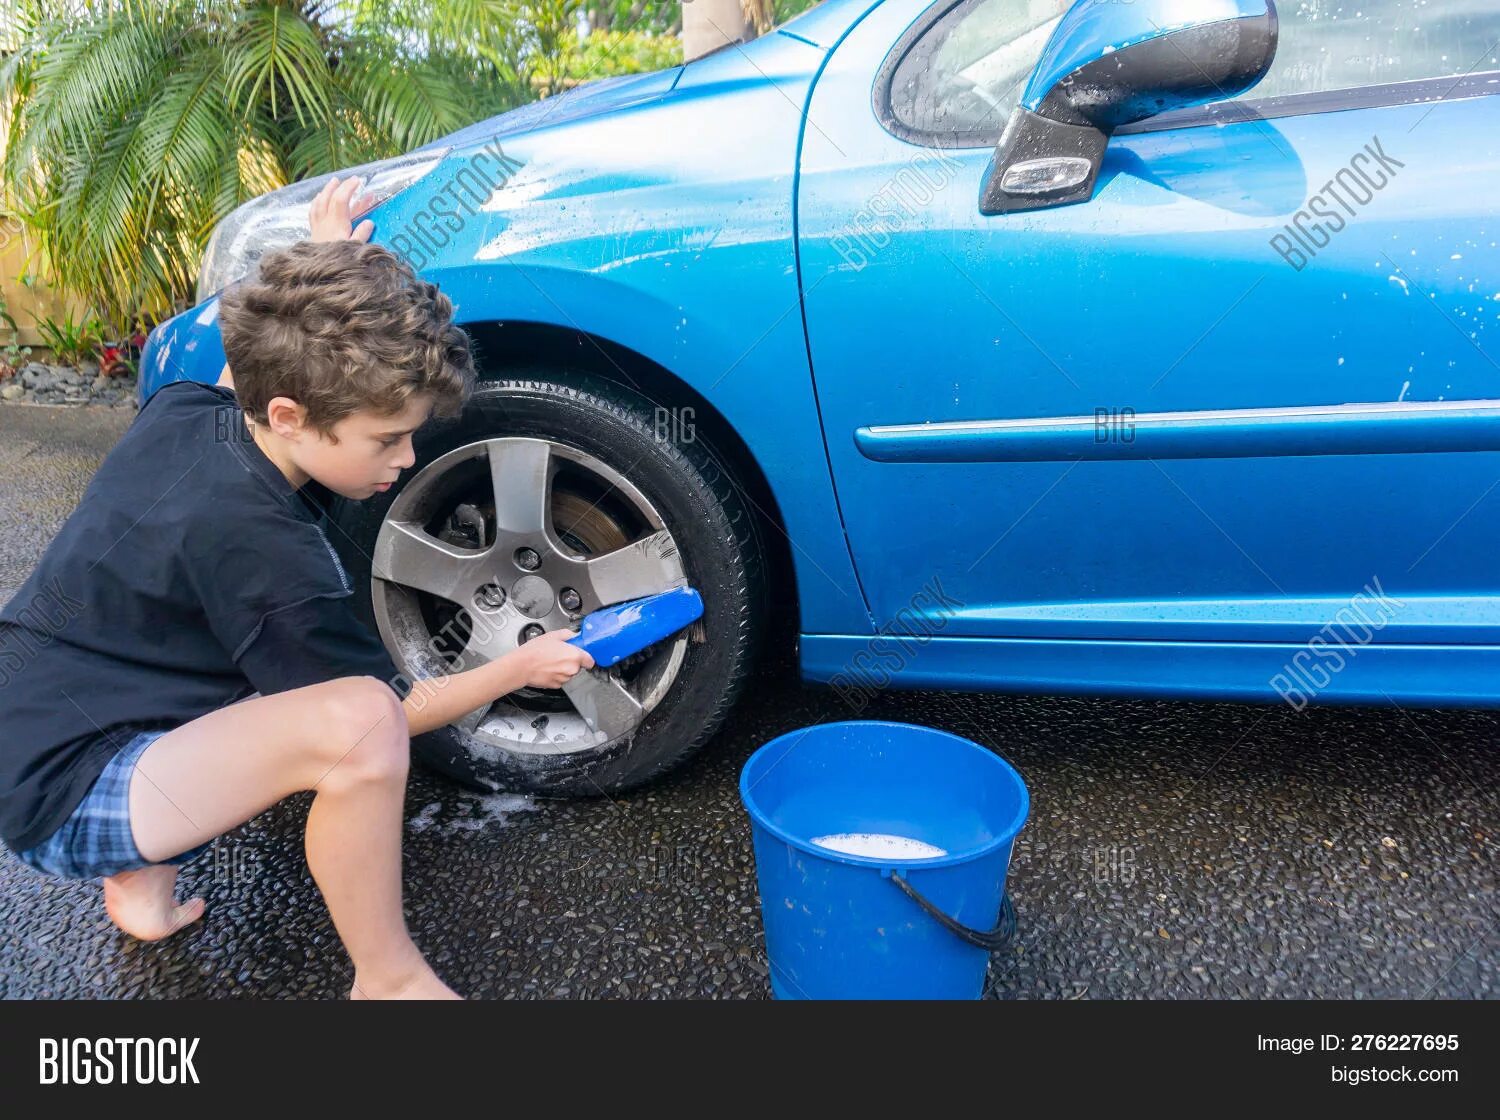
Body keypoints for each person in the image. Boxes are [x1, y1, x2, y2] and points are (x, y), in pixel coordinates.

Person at [0, 176, 594, 999]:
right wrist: (516, 670)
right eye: (386, 438)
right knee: (356, 725)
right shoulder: (268, 557)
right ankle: (388, 980)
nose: (406, 460)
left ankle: (140, 880)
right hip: (63, 795)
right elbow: (395, 713)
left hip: (34, 714)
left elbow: (277, 344)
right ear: (288, 416)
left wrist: (333, 256)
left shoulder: (190, 407)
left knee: (261, 684)